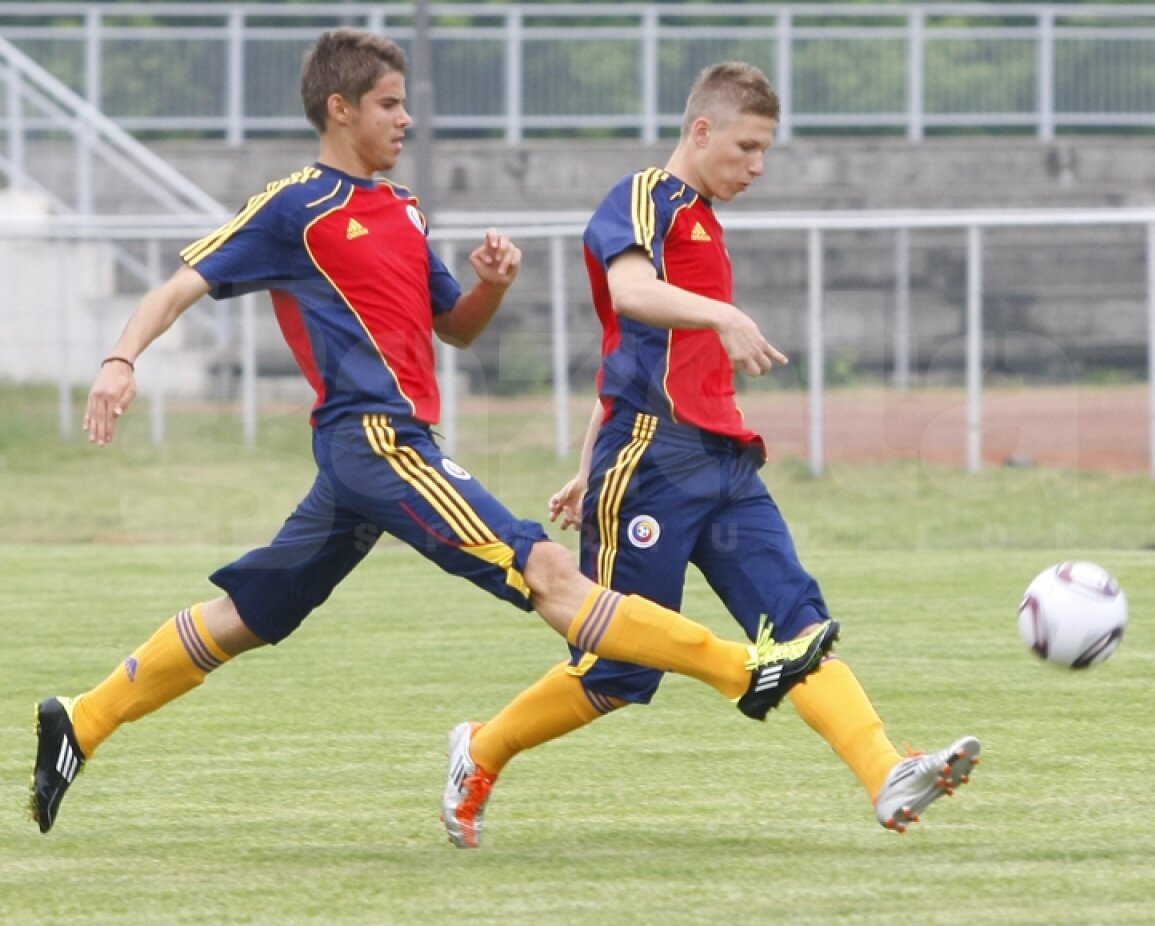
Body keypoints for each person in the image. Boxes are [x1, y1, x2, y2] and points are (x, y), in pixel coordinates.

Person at [29, 32, 841, 836]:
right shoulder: (295, 206)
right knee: (549, 568)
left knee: (248, 614)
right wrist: (119, 357)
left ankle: (83, 718)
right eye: (390, 103)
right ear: (340, 110)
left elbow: (455, 328)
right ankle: (747, 671)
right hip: (376, 441)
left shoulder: (403, 209)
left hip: (373, 455)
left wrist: (490, 286)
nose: (407, 118)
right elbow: (181, 285)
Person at [440, 61, 981, 850]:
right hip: (653, 460)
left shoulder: (704, 223)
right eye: (748, 146)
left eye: (766, 151)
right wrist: (716, 324)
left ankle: (885, 770)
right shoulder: (640, 199)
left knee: (800, 624)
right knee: (619, 673)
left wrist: (588, 459)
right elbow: (629, 296)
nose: (757, 166)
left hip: (723, 459)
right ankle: (480, 751)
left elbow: (629, 353)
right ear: (701, 131)